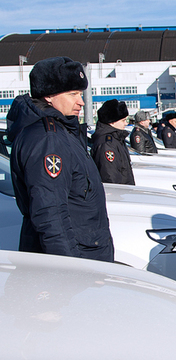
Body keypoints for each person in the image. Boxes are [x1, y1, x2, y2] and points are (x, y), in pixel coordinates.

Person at [6, 56, 114, 262]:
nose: (81, 101)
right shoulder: (49, 139)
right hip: (77, 258)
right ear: (49, 96)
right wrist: (70, 267)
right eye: (73, 94)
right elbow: (50, 214)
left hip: (87, 250)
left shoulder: (63, 131)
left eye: (81, 94)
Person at [91, 99, 135, 185]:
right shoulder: (107, 144)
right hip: (118, 194)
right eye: (123, 120)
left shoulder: (116, 139)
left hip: (123, 193)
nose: (126, 123)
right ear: (111, 122)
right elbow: (109, 176)